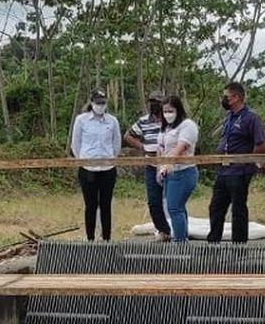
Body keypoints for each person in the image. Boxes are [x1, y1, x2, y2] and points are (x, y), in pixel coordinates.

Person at [207, 81, 265, 244]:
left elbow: (261, 144)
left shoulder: (251, 118)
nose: (224, 100)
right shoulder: (228, 117)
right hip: (222, 171)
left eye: (226, 97)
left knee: (238, 210)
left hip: (239, 171)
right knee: (216, 207)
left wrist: (248, 161)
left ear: (236, 97)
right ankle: (213, 244)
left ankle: (238, 246)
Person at [70, 89, 121, 241]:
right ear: (92, 103)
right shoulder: (81, 120)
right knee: (90, 205)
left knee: (106, 205)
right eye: (98, 103)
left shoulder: (112, 121)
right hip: (88, 169)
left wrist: (109, 158)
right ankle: (90, 237)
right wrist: (84, 159)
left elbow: (116, 143)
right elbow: (76, 143)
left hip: (107, 168)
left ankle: (106, 238)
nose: (100, 106)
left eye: (103, 103)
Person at [124, 90, 170, 241]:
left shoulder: (170, 118)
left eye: (157, 101)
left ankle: (175, 230)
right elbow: (128, 136)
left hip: (170, 164)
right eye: (151, 101)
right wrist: (142, 147)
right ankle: (163, 230)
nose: (154, 104)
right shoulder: (143, 121)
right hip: (151, 164)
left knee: (172, 200)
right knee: (153, 200)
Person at [156, 96, 200, 242]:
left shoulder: (188, 125)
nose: (167, 114)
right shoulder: (166, 128)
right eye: (165, 111)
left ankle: (180, 242)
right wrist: (159, 168)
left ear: (178, 110)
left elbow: (180, 148)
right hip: (168, 173)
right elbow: (161, 149)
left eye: (171, 111)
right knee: (178, 208)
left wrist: (169, 163)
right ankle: (183, 238)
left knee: (174, 208)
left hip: (183, 172)